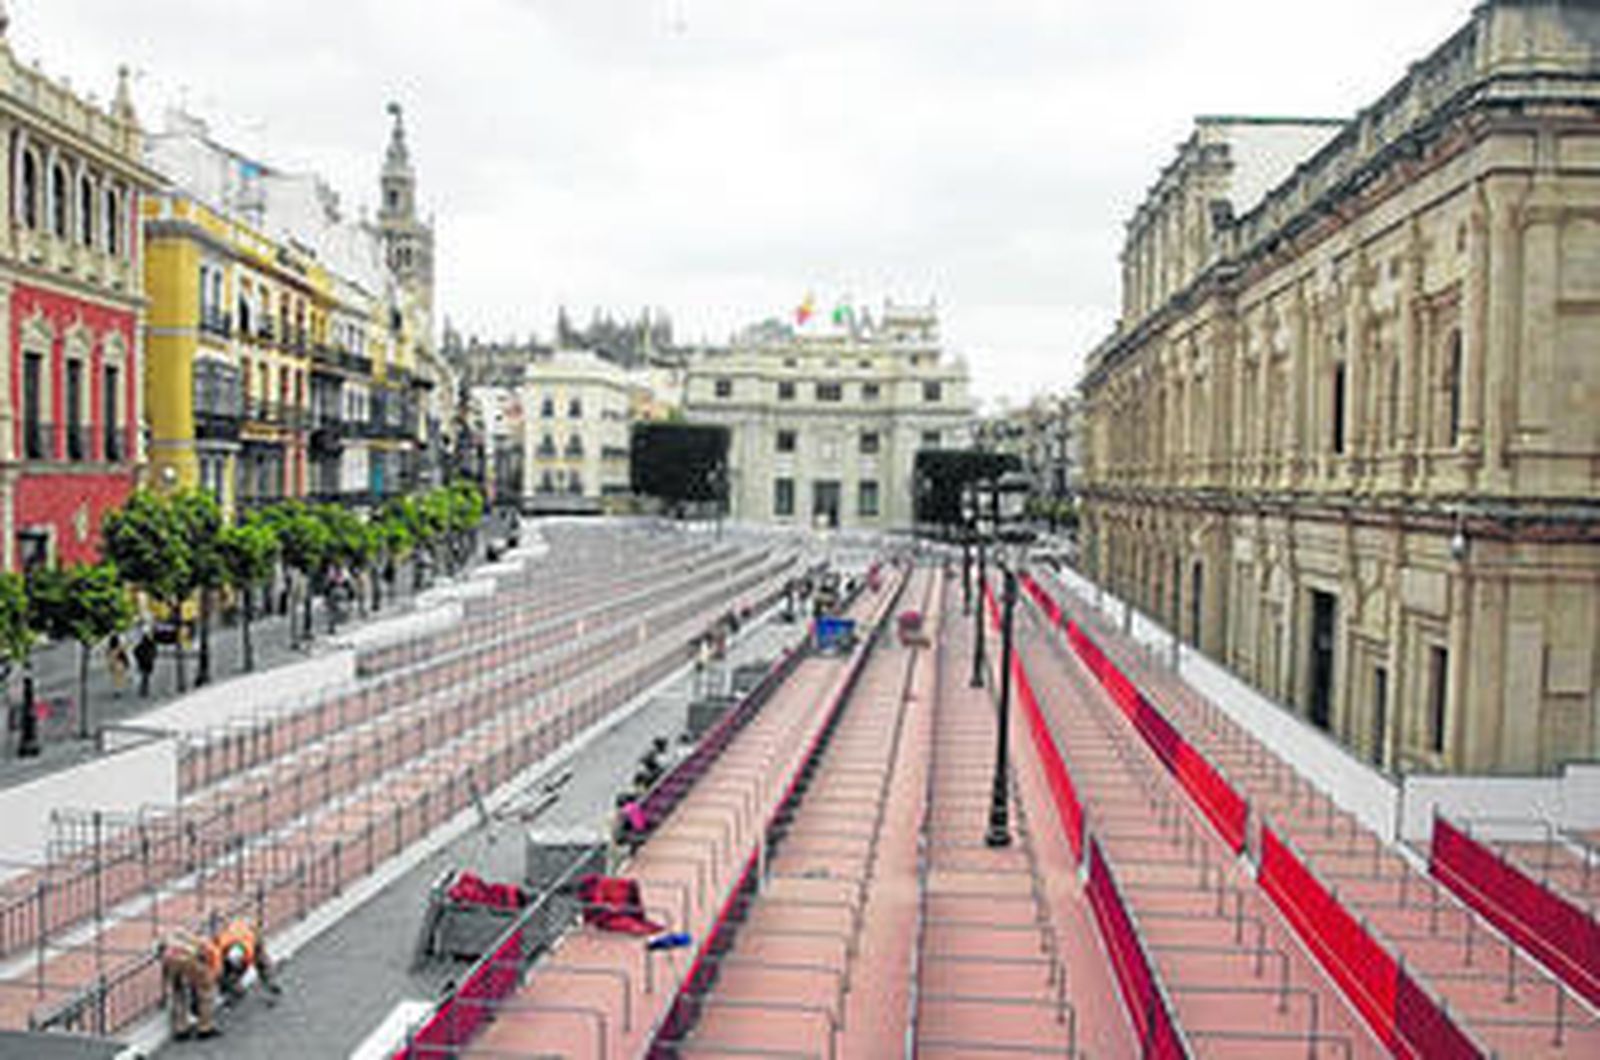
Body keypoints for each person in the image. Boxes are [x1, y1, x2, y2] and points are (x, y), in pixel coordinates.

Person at [159, 919, 280, 1040]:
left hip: (170, 955)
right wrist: (269, 982)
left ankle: (181, 1028)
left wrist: (165, 992)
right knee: (206, 992)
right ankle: (205, 1028)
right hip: (192, 957)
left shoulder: (227, 936)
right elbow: (262, 962)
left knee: (178, 991)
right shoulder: (247, 943)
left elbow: (168, 975)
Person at [133, 630, 158, 699]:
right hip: (148, 663)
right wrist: (152, 657)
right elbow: (155, 653)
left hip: (143, 663)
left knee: (144, 677)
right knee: (145, 677)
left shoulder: (141, 644)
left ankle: (143, 690)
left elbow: (135, 651)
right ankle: (144, 690)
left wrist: (139, 658)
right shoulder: (152, 644)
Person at [106, 634, 130, 699]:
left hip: (114, 664)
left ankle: (117, 690)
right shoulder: (120, 647)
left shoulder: (109, 649)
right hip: (120, 664)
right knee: (120, 678)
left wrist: (109, 665)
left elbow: (108, 657)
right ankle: (119, 690)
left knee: (116, 678)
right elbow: (125, 654)